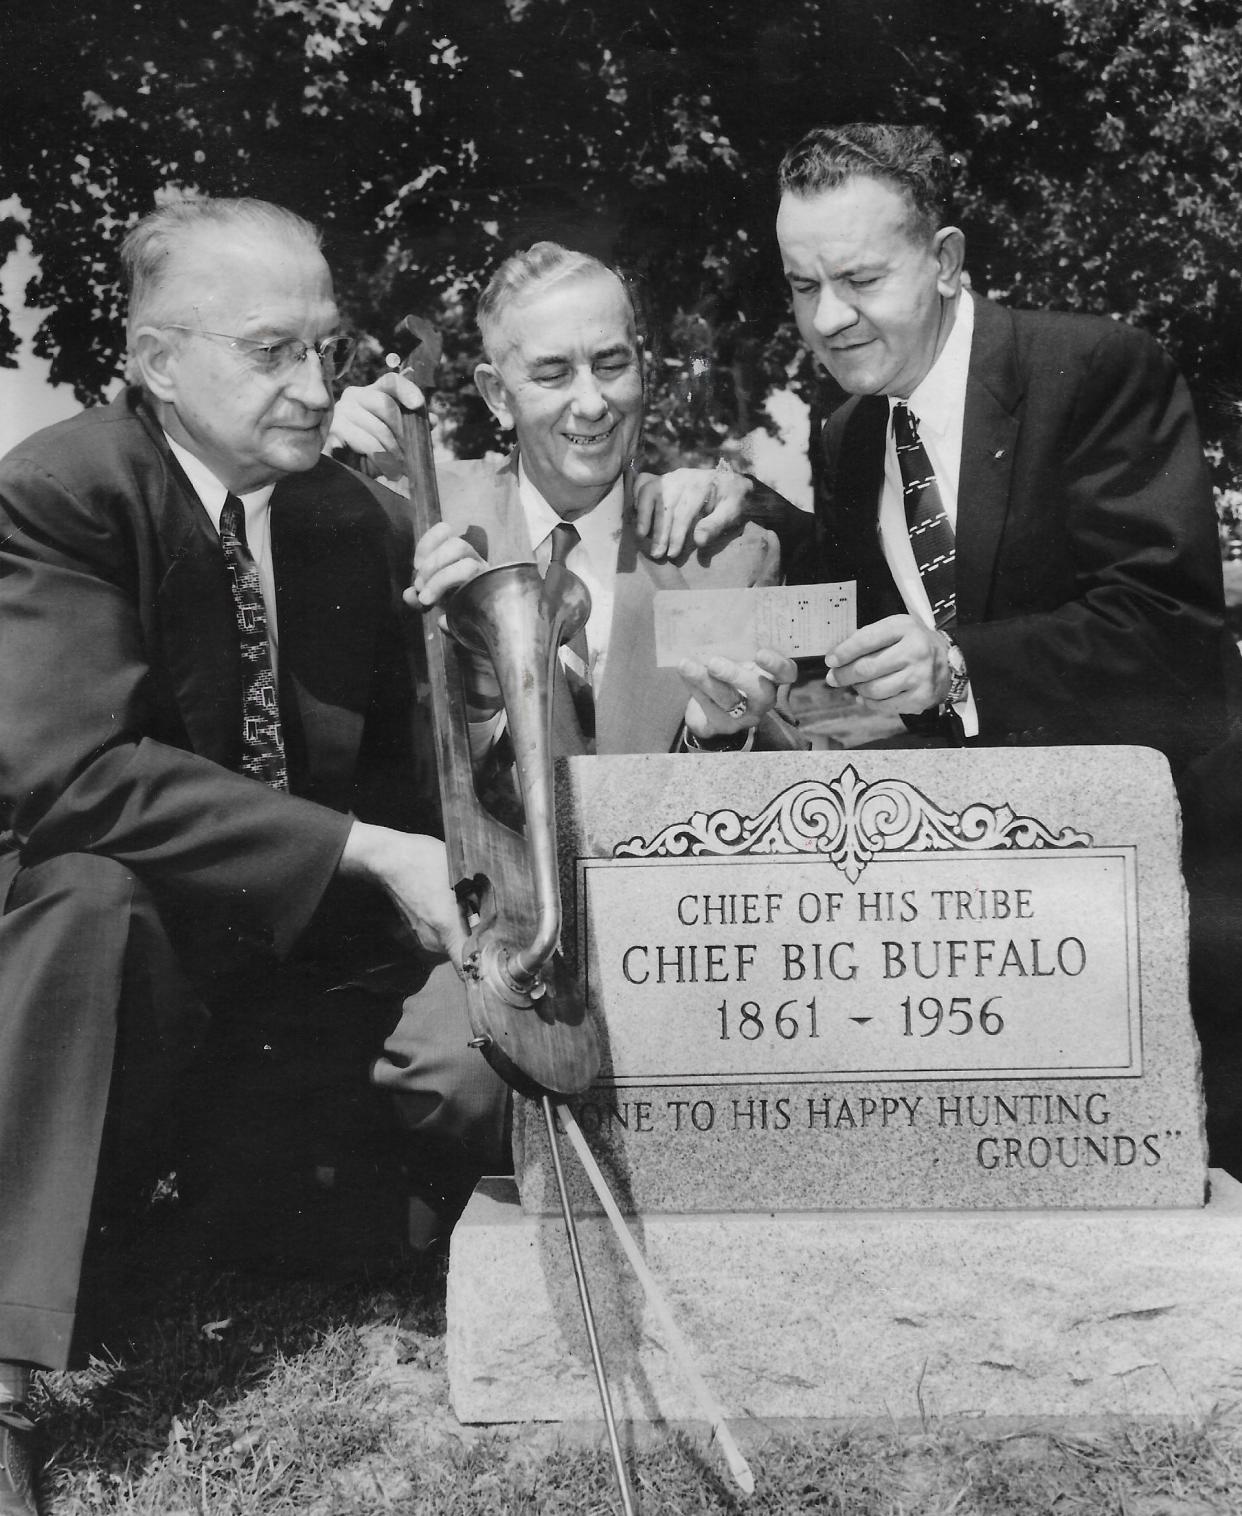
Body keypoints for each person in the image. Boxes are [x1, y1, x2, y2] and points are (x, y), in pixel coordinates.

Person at [0, 197, 482, 1515]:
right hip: (120, 967)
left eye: (325, 346)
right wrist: (371, 848)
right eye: (271, 351)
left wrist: (488, 643)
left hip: (291, 987)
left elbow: (425, 784)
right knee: (88, 898)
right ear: (161, 360)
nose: (315, 383)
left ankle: (164, 1225)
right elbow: (75, 779)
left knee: (297, 1246)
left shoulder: (358, 521)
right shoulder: (64, 492)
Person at [331, 242, 805, 1139]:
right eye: (551, 372)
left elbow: (772, 805)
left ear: (644, 367)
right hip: (493, 926)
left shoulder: (726, 549)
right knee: (446, 1077)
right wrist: (324, 435)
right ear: (495, 393)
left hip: (670, 935)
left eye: (612, 363)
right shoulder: (416, 510)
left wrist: (722, 736)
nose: (591, 401)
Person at [775, 123, 1227, 772]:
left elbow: (1168, 627)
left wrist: (957, 665)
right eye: (804, 286)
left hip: (1167, 826)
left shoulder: (1097, 370)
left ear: (946, 263)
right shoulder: (846, 434)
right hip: (993, 843)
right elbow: (839, 608)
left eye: (861, 279)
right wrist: (736, 512)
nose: (827, 320)